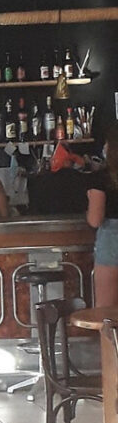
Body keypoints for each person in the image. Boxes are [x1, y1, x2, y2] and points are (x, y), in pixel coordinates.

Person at [87, 121, 118, 306]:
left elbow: (95, 219)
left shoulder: (101, 178)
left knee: (107, 313)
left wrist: (90, 199)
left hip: (112, 241)